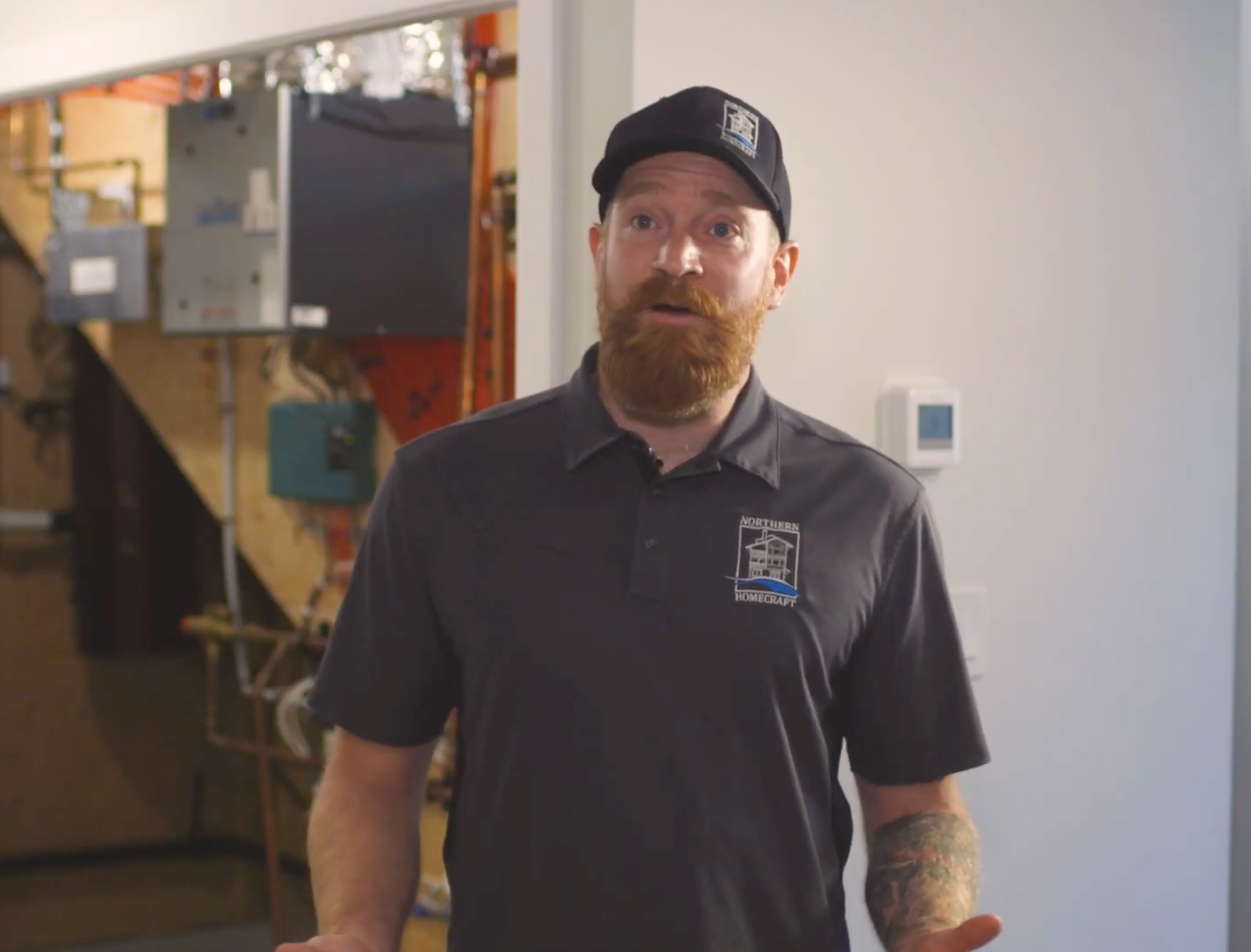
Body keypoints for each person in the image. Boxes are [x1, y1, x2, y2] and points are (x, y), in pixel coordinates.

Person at [278, 86, 1002, 952]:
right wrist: (356, 933)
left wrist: (928, 931)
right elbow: (371, 774)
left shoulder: (873, 509)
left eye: (723, 228)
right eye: (645, 221)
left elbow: (913, 794)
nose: (678, 257)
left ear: (780, 272)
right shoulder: (444, 484)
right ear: (600, 249)